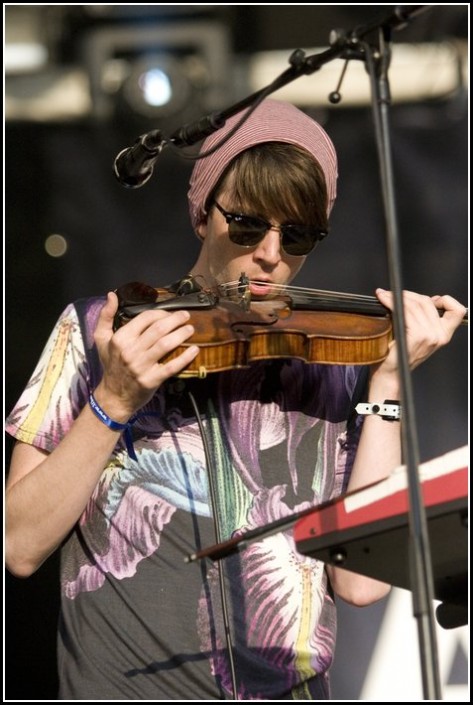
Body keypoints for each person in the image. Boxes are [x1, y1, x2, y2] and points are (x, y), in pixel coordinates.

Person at [5, 99, 465, 701]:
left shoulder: (329, 359)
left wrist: (388, 385)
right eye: (248, 226)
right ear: (203, 214)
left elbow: (359, 586)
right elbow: (18, 545)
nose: (271, 255)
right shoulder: (100, 330)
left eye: (297, 234)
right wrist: (114, 400)